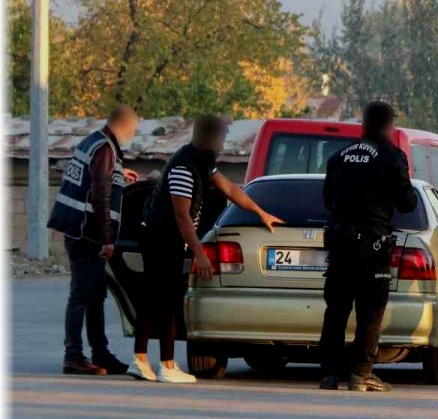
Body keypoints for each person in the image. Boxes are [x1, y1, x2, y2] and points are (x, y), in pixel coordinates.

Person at [130, 116, 283, 384]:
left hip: (168, 237)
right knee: (165, 299)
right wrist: (200, 254)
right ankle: (163, 365)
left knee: (157, 298)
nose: (223, 145)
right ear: (208, 138)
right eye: (221, 139)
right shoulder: (183, 167)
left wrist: (260, 212)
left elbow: (229, 189)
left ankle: (143, 361)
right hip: (161, 237)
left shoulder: (203, 162)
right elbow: (181, 217)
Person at [318, 102, 418, 393]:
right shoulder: (392, 157)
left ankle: (328, 374)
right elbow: (407, 203)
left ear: (363, 122)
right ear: (389, 125)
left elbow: (328, 201)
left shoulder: (338, 158)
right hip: (373, 246)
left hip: (339, 244)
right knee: (370, 312)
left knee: (336, 310)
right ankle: (361, 374)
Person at [47, 105, 141, 376]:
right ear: (122, 126)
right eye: (133, 129)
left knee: (95, 294)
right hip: (86, 232)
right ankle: (73, 356)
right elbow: (100, 195)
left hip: (78, 229)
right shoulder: (105, 149)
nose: (133, 134)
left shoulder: (95, 142)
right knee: (81, 294)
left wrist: (119, 173)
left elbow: (98, 177)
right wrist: (107, 239)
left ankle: (100, 352)